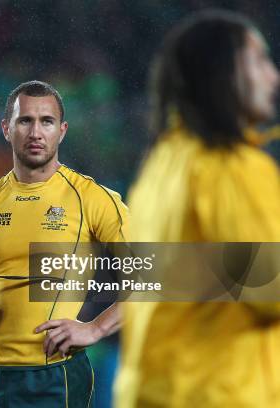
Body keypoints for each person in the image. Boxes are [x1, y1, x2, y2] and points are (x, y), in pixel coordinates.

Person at [114, 10, 280, 407]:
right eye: (258, 61)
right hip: (217, 393)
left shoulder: (161, 164)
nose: (273, 76)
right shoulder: (229, 166)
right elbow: (269, 290)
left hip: (155, 390)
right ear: (221, 73)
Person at [0, 81, 127, 407]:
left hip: (56, 375)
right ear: (6, 129)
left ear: (62, 131)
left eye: (47, 121)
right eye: (25, 120)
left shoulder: (93, 199)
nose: (35, 132)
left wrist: (95, 329)